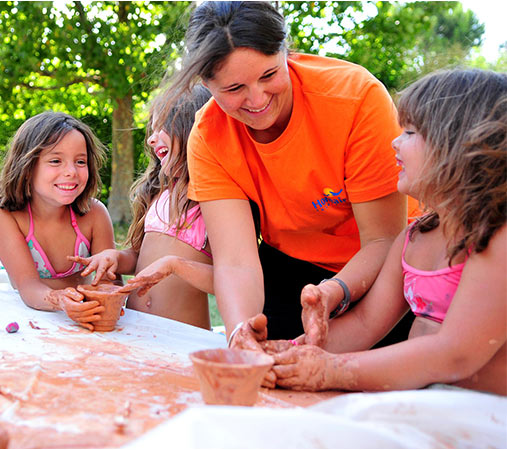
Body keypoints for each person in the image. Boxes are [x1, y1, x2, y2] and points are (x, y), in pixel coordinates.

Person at [159, 1, 418, 348]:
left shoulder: (355, 97)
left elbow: (383, 240)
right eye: (234, 89)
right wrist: (241, 332)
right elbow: (236, 262)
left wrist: (334, 291)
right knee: (266, 361)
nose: (257, 99)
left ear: (286, 52)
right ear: (206, 84)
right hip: (291, 266)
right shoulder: (207, 136)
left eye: (269, 75)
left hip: (388, 264)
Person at [266, 69, 506, 395]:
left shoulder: (495, 238)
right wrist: (289, 353)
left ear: (458, 147)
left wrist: (330, 371)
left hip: (484, 418)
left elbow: (455, 354)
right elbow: (365, 323)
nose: (395, 141)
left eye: (409, 132)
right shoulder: (413, 238)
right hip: (424, 402)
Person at [70, 85, 215, 329]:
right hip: (139, 330)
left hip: (184, 336)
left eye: (162, 127)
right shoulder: (159, 194)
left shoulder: (214, 200)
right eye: (152, 129)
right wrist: (116, 257)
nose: (150, 138)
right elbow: (140, 259)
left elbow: (231, 279)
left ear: (193, 127)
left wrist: (175, 266)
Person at [0, 111, 116, 331]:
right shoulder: (4, 214)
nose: (71, 172)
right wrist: (60, 300)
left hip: (85, 320)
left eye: (80, 161)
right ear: (27, 167)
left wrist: (100, 300)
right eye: (55, 161)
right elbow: (27, 285)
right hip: (28, 320)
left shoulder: (95, 213)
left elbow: (107, 282)